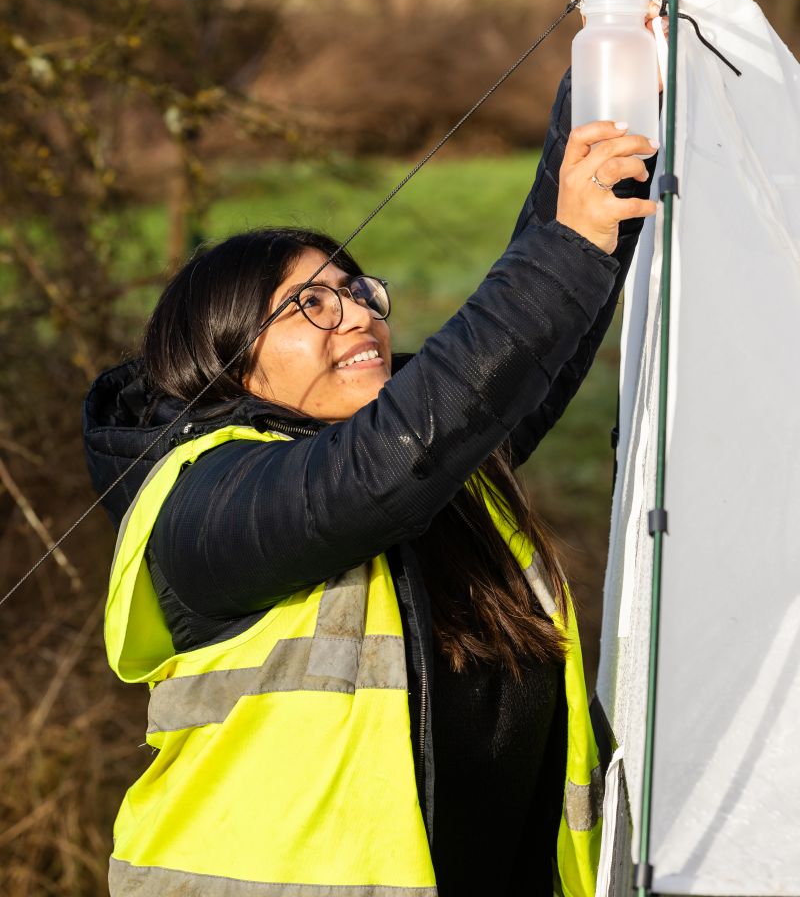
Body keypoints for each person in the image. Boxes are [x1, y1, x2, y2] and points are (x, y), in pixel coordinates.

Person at [84, 68, 659, 897]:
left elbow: (508, 370)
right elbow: (388, 461)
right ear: (228, 359)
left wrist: (608, 85)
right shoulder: (203, 503)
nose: (357, 313)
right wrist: (564, 249)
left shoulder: (433, 465)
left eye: (356, 291)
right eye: (309, 305)